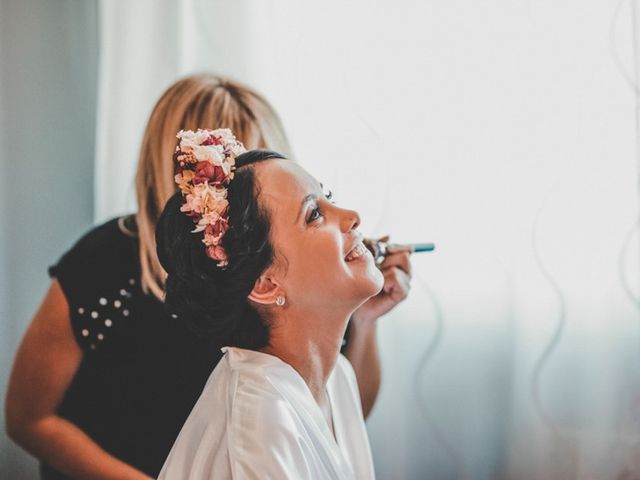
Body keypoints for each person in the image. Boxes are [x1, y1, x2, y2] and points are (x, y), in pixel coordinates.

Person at [5, 74, 412, 479]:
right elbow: (29, 417)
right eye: (228, 172)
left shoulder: (306, 291)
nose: (244, 185)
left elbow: (328, 423)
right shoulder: (103, 264)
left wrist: (364, 318)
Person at [156, 128, 382, 479]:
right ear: (264, 284)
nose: (352, 216)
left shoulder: (339, 377)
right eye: (314, 214)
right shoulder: (262, 417)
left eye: (329, 196)